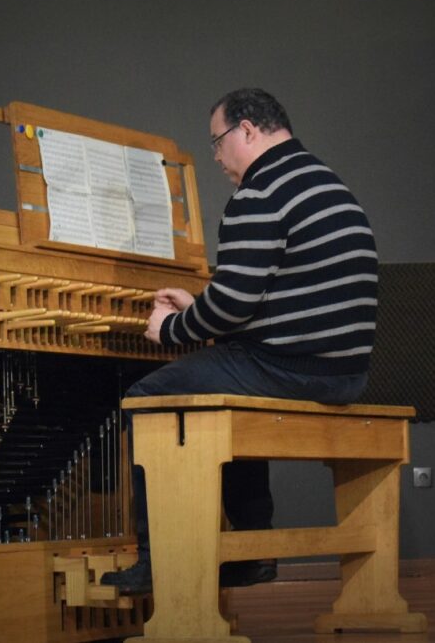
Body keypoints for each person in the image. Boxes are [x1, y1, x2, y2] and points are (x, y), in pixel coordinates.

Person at [100, 87, 379, 594]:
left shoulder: (260, 192)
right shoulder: (326, 184)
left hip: (290, 369)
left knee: (148, 396)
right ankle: (253, 552)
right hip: (344, 373)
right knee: (226, 380)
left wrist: (171, 329)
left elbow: (233, 304)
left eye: (217, 141)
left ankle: (157, 563)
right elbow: (272, 298)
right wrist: (200, 306)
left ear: (246, 130)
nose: (216, 156)